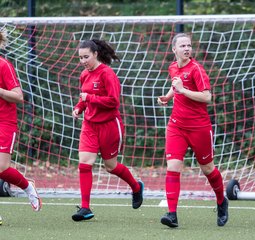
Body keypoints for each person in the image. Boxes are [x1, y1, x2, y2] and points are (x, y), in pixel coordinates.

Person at [157, 33, 228, 228]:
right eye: (183, 46)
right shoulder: (173, 67)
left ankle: (222, 201)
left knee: (207, 169)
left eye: (189, 45)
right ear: (174, 50)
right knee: (173, 167)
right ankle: (172, 214)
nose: (187, 48)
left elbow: (207, 97)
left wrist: (182, 90)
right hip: (176, 126)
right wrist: (168, 97)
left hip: (199, 127)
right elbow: (176, 86)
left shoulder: (196, 69)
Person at [71, 39, 144, 221]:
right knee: (84, 164)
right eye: (80, 58)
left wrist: (90, 98)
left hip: (109, 125)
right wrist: (79, 107)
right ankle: (85, 208)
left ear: (96, 54)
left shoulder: (107, 74)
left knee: (111, 166)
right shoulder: (84, 75)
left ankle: (136, 187)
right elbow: (84, 96)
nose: (83, 61)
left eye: (86, 57)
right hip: (90, 125)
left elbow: (113, 102)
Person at [0, 30, 42, 212]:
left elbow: (18, 96)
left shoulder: (3, 65)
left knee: (2, 168)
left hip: (4, 122)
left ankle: (27, 186)